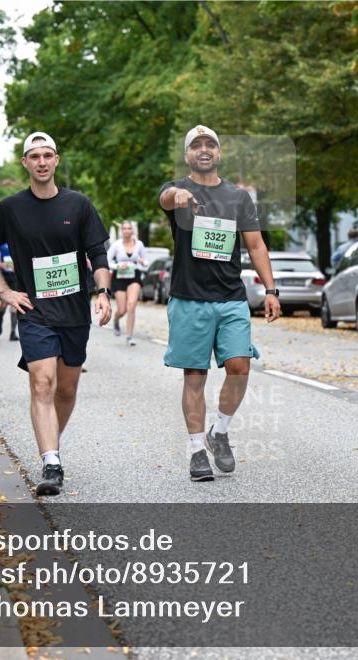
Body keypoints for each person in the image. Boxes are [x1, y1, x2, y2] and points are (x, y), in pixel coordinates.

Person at [0, 131, 112, 496]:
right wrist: (4, 291)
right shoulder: (10, 208)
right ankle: (51, 462)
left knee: (66, 389)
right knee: (42, 382)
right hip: (34, 311)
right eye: (34, 156)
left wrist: (102, 292)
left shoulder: (78, 205)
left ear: (56, 160)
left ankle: (52, 444)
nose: (41, 162)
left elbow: (98, 253)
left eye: (47, 155)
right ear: (25, 163)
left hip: (74, 312)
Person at [159, 125, 280, 483]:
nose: (203, 149)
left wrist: (271, 290)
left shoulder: (238, 198)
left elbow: (256, 246)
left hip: (230, 298)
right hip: (190, 298)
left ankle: (219, 432)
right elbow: (166, 199)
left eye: (210, 144)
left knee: (239, 367)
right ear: (188, 155)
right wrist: (178, 196)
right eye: (196, 145)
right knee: (194, 376)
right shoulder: (175, 189)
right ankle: (197, 450)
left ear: (219, 152)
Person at [107, 221, 149, 346]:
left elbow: (146, 263)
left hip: (134, 276)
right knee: (122, 309)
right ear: (121, 231)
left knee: (131, 305)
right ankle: (116, 319)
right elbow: (107, 261)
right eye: (124, 228)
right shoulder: (116, 245)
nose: (126, 231)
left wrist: (142, 262)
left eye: (128, 228)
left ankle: (130, 336)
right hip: (119, 277)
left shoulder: (139, 245)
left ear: (132, 230)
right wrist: (118, 265)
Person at [0, 242, 19, 341]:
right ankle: (0, 319)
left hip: (15, 275)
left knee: (15, 303)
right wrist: (0, 264)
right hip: (4, 276)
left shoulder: (17, 239)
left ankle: (13, 332)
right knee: (4, 302)